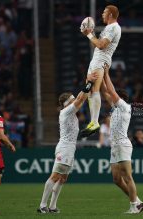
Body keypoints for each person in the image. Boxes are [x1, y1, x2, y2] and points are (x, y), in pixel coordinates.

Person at [37, 73, 98, 213]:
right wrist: (89, 83)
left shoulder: (71, 113)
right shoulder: (65, 112)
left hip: (70, 148)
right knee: (55, 176)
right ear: (67, 103)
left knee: (63, 178)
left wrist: (90, 87)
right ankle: (42, 205)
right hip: (65, 148)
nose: (74, 101)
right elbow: (79, 100)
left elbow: (81, 100)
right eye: (72, 100)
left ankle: (52, 206)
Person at [99, 65, 143, 213]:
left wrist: (106, 73)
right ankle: (138, 202)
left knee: (127, 177)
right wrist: (98, 78)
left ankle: (133, 207)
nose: (111, 99)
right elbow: (106, 91)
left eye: (115, 98)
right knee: (117, 179)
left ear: (121, 98)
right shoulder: (115, 108)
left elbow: (111, 91)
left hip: (122, 144)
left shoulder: (125, 107)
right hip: (115, 146)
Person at [80, 5, 121, 137]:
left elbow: (102, 45)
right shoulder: (108, 28)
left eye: (104, 12)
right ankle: (93, 122)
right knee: (90, 89)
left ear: (110, 14)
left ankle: (95, 122)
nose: (102, 14)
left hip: (101, 60)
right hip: (96, 59)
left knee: (95, 88)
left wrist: (89, 35)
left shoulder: (113, 27)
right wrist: (90, 34)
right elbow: (96, 45)